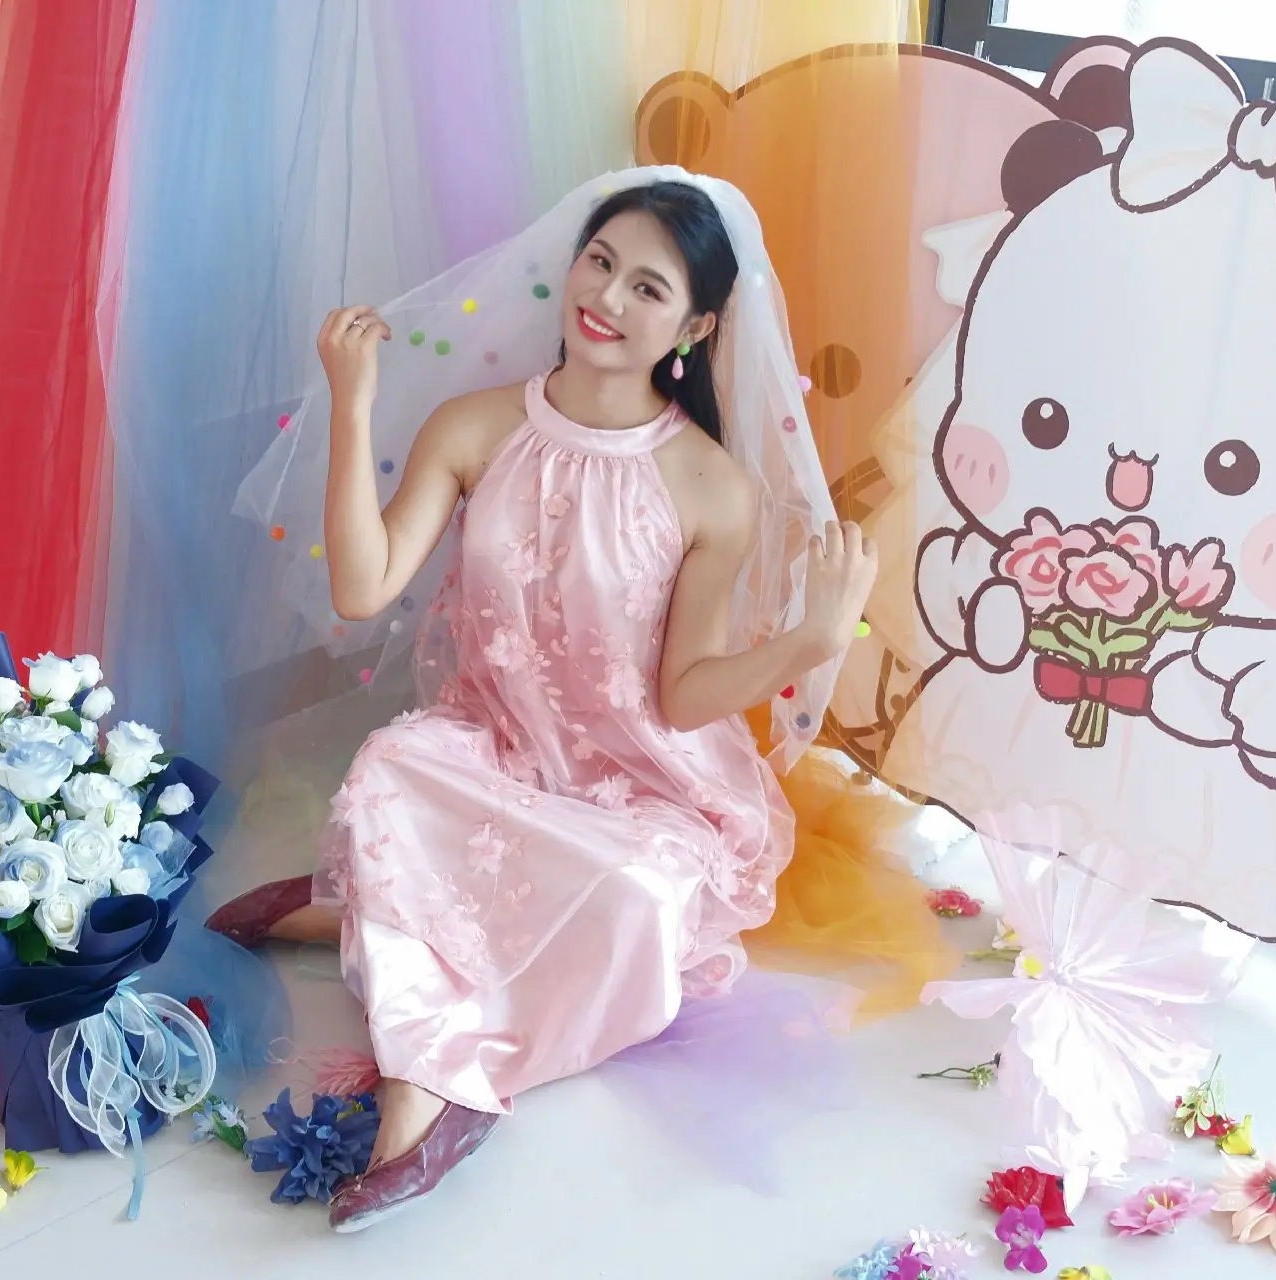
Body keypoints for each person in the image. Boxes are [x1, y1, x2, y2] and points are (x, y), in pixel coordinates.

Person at [211, 172, 877, 1232]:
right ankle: (426, 1099)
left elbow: (683, 696)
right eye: (599, 262)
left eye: (648, 287)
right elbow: (363, 588)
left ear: (695, 328)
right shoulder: (476, 426)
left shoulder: (711, 486)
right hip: (493, 753)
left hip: (640, 791)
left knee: (640, 903)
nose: (606, 297)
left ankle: (367, 933)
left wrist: (810, 642)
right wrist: (352, 401)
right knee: (391, 766)